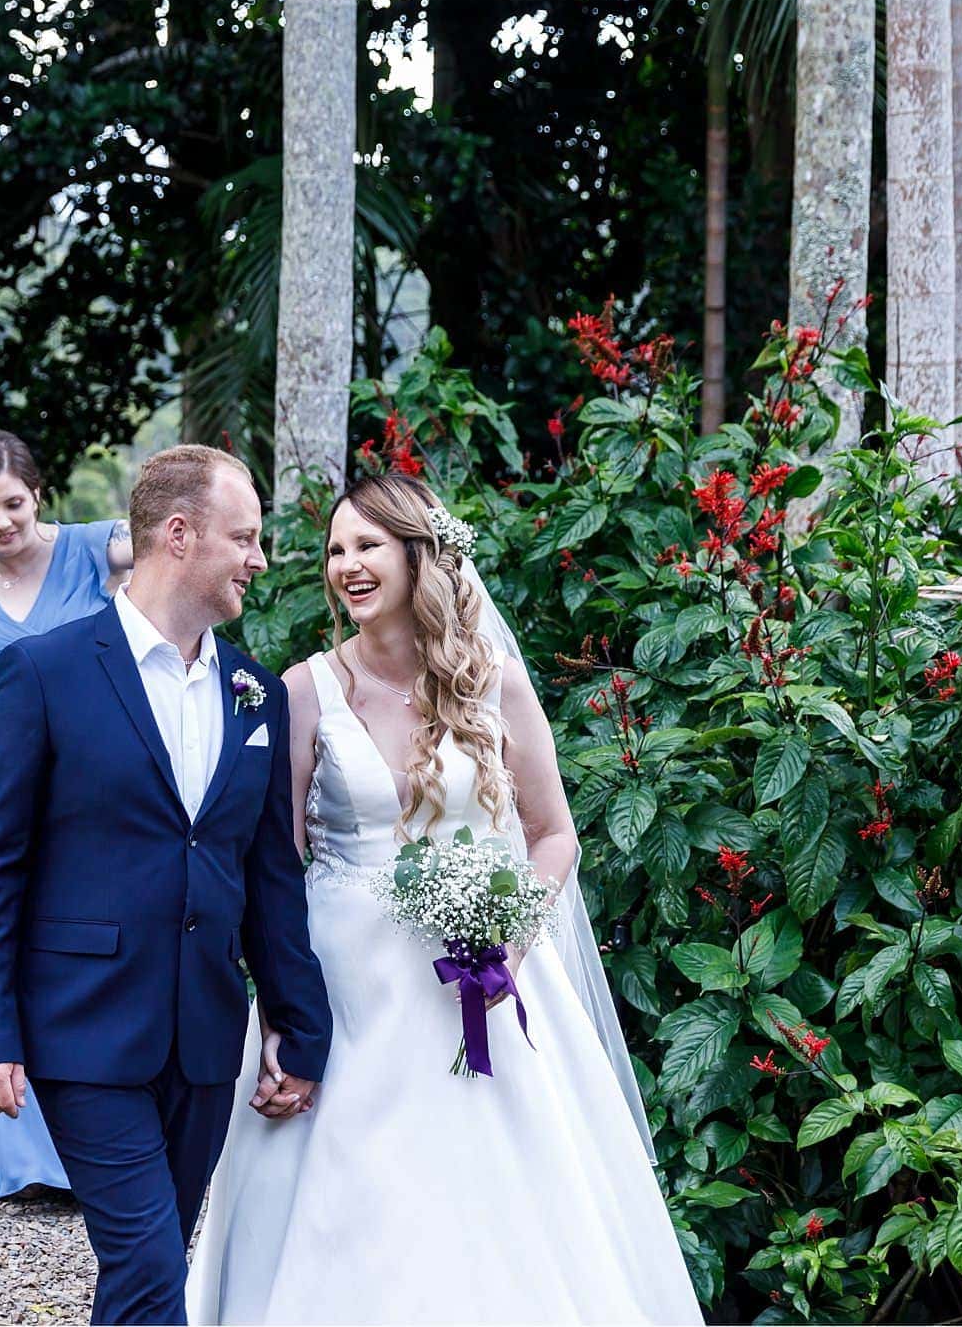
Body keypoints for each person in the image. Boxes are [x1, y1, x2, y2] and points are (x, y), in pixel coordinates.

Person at [185, 473, 704, 1325]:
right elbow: (276, 861)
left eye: (367, 546)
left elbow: (552, 835)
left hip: (481, 985)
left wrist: (509, 935)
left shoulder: (491, 681)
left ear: (419, 556)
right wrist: (280, 1011)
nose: (347, 566)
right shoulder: (305, 690)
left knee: (497, 1207)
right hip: (346, 994)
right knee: (346, 1201)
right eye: (335, 550)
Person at [0, 444, 332, 1326]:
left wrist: (299, 1030)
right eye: (246, 537)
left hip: (201, 1040)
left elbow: (271, 878)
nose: (260, 559)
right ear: (180, 534)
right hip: (82, 1026)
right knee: (152, 1261)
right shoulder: (43, 672)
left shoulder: (255, 694)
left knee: (144, 1269)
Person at [0, 428, 131, 1198]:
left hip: (80, 778)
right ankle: (17, 1152)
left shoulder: (92, 549)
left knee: (74, 939)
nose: (1, 522)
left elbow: (172, 548)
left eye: (13, 503)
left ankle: (92, 1130)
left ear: (39, 495)